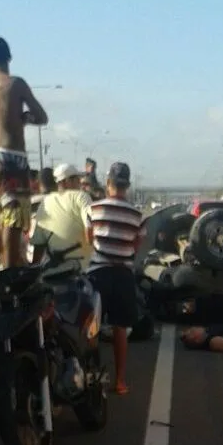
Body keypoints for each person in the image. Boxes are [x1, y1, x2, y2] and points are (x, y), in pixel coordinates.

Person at [0, 36, 48, 269]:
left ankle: (0, 266)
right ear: (9, 56)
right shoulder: (14, 84)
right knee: (15, 217)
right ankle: (10, 272)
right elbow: (41, 116)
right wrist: (24, 119)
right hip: (12, 157)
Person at [86, 163, 143, 395]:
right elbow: (135, 247)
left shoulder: (94, 208)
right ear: (127, 186)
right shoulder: (137, 215)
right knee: (120, 329)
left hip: (98, 274)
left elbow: (89, 239)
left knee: (92, 328)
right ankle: (119, 381)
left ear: (108, 183)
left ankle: (91, 376)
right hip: (123, 275)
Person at [30, 163, 93, 277]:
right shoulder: (81, 197)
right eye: (76, 179)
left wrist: (34, 272)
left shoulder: (45, 202)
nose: (79, 182)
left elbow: (38, 245)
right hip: (80, 273)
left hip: (52, 275)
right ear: (65, 182)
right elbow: (90, 230)